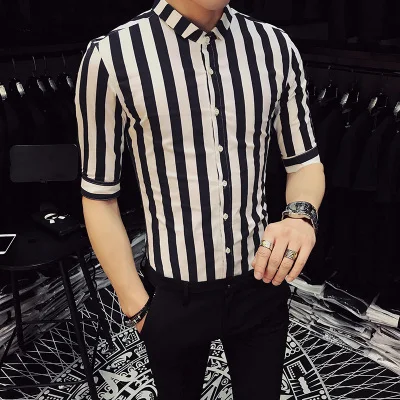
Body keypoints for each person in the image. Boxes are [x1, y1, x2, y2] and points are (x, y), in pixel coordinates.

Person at [75, 0, 325, 398]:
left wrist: (300, 216)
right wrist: (136, 305)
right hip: (173, 296)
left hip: (259, 286)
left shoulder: (275, 47)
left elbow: (304, 163)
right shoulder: (111, 57)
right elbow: (98, 194)